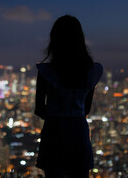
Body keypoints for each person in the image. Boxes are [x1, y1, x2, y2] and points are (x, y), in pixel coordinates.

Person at [35, 15, 103, 178]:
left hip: (54, 130)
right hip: (78, 131)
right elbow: (86, 108)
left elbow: (39, 109)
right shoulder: (91, 71)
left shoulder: (46, 72)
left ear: (54, 40)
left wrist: (55, 113)